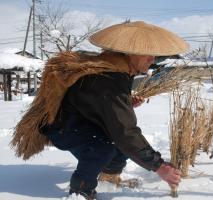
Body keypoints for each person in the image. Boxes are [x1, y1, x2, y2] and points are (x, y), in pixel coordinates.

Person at [13, 21, 189, 200]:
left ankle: (108, 178)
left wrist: (124, 103)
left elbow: (96, 99)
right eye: (148, 55)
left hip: (82, 121)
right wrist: (159, 166)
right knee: (102, 149)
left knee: (119, 147)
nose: (152, 60)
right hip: (62, 126)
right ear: (131, 54)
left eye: (154, 56)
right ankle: (81, 191)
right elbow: (125, 132)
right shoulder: (111, 78)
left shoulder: (115, 68)